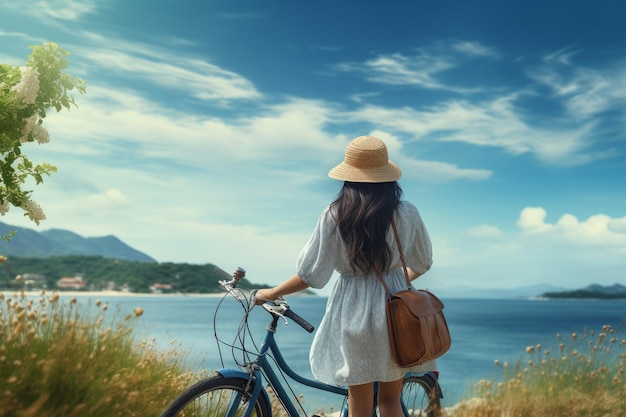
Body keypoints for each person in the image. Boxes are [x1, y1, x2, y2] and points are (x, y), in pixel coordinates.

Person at [254, 135, 434, 417]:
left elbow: (311, 276)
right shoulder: (407, 212)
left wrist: (271, 292)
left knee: (359, 405)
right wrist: (397, 284)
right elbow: (423, 263)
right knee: (389, 401)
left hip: (353, 313)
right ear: (388, 176)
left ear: (348, 177)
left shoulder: (336, 214)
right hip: (396, 313)